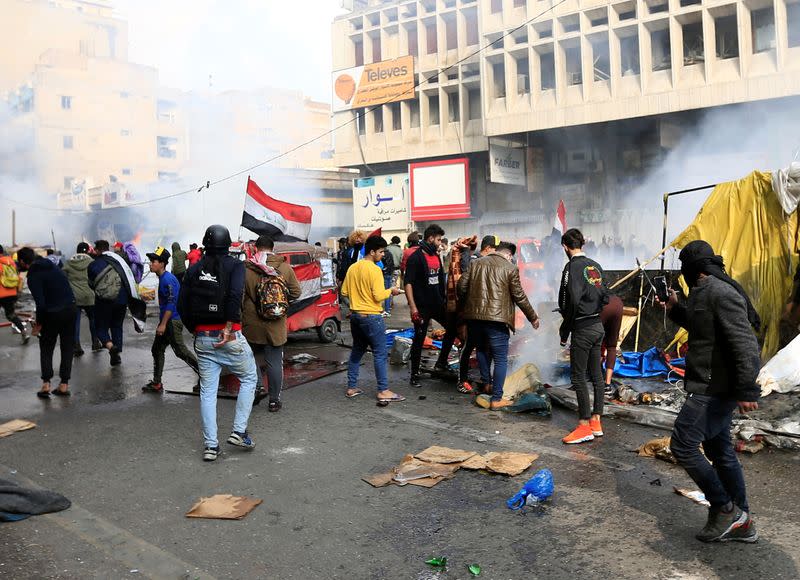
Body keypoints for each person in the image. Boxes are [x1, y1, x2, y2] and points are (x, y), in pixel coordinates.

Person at [660, 240, 760, 543]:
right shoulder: (704, 291)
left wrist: (747, 389)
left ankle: (725, 508)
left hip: (714, 387)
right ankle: (742, 520)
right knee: (720, 451)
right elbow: (701, 326)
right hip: (711, 383)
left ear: (694, 269)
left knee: (683, 444)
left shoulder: (720, 292)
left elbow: (745, 344)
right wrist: (676, 308)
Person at [178, 225, 258, 462]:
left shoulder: (194, 269)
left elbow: (182, 305)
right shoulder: (235, 266)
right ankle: (239, 431)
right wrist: (229, 326)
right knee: (250, 377)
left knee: (208, 392)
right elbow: (235, 295)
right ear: (228, 245)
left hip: (202, 339)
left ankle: (211, 446)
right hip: (229, 335)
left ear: (205, 244)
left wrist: (195, 329)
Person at [458, 242, 540, 409]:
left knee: (481, 350)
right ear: (509, 255)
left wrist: (470, 303)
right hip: (497, 320)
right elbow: (520, 296)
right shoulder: (510, 268)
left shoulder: (476, 263)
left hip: (475, 317)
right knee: (500, 359)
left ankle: (487, 384)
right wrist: (533, 317)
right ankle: (496, 399)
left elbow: (461, 286)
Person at [558, 228, 608, 444]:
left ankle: (583, 425)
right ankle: (596, 420)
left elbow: (568, 300)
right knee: (596, 375)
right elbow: (605, 296)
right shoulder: (595, 265)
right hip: (598, 326)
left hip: (583, 328)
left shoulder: (571, 267)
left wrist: (564, 330)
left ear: (565, 247)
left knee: (578, 376)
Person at [241, 235, 301, 412]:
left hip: (252, 323)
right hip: (276, 322)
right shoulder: (284, 267)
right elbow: (296, 292)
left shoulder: (247, 268)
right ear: (273, 248)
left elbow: (239, 296)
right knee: (274, 362)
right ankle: (274, 401)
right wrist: (280, 305)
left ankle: (258, 386)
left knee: (250, 359)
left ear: (255, 248)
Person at [341, 235, 404, 402]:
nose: (383, 255)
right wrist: (391, 291)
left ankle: (352, 387)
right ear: (372, 251)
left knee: (357, 351)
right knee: (380, 353)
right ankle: (383, 390)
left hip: (356, 317)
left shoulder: (353, 268)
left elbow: (344, 292)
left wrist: (356, 301)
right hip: (372, 317)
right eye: (381, 251)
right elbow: (378, 296)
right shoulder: (375, 270)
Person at [17, 247, 77, 398]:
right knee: (67, 346)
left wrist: (39, 323)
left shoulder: (33, 276)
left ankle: (46, 385)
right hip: (70, 308)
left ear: (23, 262)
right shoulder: (53, 267)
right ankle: (64, 385)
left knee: (46, 347)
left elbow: (41, 304)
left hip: (53, 313)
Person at [404, 224, 457, 387]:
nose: (440, 243)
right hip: (421, 307)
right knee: (419, 339)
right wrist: (413, 308)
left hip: (438, 304)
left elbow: (441, 280)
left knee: (453, 328)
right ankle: (414, 374)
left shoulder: (436, 256)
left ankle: (441, 362)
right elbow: (408, 284)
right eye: (439, 240)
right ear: (430, 238)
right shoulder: (416, 257)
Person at [142, 246, 199, 393]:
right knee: (157, 349)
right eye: (150, 261)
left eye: (153, 261)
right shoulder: (164, 278)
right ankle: (156, 382)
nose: (150, 264)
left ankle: (206, 376)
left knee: (180, 351)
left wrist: (163, 324)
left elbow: (171, 303)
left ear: (162, 263)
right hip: (167, 321)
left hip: (172, 321)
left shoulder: (168, 279)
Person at [88, 240, 146, 366]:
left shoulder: (93, 265)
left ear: (97, 250)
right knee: (117, 325)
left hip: (103, 302)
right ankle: (117, 353)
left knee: (100, 327)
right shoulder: (120, 261)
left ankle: (110, 346)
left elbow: (91, 284)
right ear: (108, 248)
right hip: (121, 300)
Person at [456, 235, 497, 393]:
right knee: (469, 347)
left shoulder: (491, 264)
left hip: (487, 314)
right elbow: (463, 285)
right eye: (494, 249)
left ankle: (486, 379)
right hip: (473, 313)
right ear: (487, 249)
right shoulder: (475, 261)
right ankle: (462, 380)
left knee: (486, 347)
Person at [63, 242, 100, 356]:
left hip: (75, 297)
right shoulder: (92, 262)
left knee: (75, 322)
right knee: (93, 320)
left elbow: (63, 276)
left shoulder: (69, 263)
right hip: (90, 296)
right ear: (87, 251)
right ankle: (95, 343)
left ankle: (76, 346)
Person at [0, 244, 29, 343]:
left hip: (1, 293)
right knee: (11, 315)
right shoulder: (11, 262)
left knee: (10, 315)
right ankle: (23, 331)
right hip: (12, 293)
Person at [600, 293, 624, 396]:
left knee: (594, 341)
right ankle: (607, 384)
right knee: (611, 346)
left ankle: (595, 379)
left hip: (603, 305)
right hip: (618, 303)